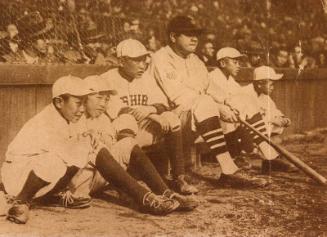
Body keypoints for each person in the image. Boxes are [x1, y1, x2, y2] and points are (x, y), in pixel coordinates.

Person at [149, 15, 268, 187]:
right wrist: (220, 108)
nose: (194, 38)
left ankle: (270, 157)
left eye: (196, 34)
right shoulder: (160, 58)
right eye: (188, 34)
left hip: (192, 118)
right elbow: (179, 97)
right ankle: (229, 169)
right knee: (205, 102)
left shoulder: (195, 59)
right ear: (173, 37)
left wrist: (229, 102)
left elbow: (211, 87)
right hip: (165, 120)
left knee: (243, 100)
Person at [66, 75, 198, 214]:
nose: (103, 104)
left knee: (128, 143)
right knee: (97, 146)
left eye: (106, 99)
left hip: (98, 176)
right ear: (85, 98)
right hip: (79, 182)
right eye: (99, 98)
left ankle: (167, 194)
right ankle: (146, 199)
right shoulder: (74, 118)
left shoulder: (102, 119)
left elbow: (112, 155)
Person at [100, 39, 198, 194]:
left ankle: (179, 178)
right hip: (117, 137)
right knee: (127, 119)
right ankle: (124, 184)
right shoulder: (107, 79)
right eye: (136, 60)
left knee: (171, 118)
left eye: (144, 60)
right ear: (121, 61)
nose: (142, 65)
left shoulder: (145, 78)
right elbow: (117, 111)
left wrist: (150, 109)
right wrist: (152, 115)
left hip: (141, 131)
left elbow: (163, 104)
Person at [1, 75, 94, 224]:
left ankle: (51, 197)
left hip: (38, 173)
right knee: (54, 161)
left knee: (82, 147)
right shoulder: (46, 121)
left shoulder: (70, 116)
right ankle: (20, 202)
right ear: (59, 102)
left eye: (84, 103)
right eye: (78, 103)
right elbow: (63, 155)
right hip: (16, 176)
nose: (82, 109)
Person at [241, 66, 294, 173]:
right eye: (271, 84)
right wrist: (271, 119)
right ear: (260, 84)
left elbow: (275, 111)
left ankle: (267, 160)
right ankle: (269, 157)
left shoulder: (264, 95)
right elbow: (243, 119)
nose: (273, 87)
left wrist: (283, 119)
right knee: (267, 123)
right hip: (237, 133)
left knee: (277, 124)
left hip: (254, 133)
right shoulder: (244, 93)